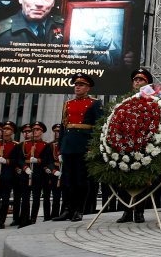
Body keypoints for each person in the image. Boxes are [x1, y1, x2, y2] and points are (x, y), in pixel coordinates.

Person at [53, 73, 103, 222]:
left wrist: (93, 147)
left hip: (83, 145)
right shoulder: (68, 104)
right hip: (69, 145)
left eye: (81, 85)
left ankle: (79, 210)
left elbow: (99, 127)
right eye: (76, 85)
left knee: (81, 180)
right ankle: (67, 209)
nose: (77, 87)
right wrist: (60, 148)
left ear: (87, 88)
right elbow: (63, 127)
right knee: (67, 179)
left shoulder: (95, 103)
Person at [117, 68, 155, 224]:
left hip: (143, 143)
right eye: (136, 80)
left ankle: (139, 212)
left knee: (141, 180)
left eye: (141, 80)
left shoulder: (152, 99)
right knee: (125, 178)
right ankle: (127, 211)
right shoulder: (126, 99)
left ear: (147, 83)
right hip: (127, 143)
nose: (137, 82)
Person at [0, 121, 18, 229]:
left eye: (8, 129)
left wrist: (7, 161)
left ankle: (1, 221)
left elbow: (16, 160)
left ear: (12, 131)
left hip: (8, 174)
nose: (5, 131)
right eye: (4, 129)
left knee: (5, 199)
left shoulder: (15, 145)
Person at [45, 123, 63, 220]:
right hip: (54, 172)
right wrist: (53, 170)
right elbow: (48, 160)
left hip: (63, 172)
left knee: (63, 195)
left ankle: (62, 213)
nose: (57, 133)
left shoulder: (65, 144)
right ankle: (51, 215)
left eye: (59, 131)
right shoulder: (50, 145)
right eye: (55, 131)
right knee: (53, 195)